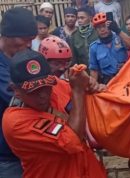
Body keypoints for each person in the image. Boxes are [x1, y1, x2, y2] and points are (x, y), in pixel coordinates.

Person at [2, 49, 107, 178]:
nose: (43, 95)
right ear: (15, 90)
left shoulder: (57, 86)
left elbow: (85, 92)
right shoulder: (15, 122)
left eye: (46, 86)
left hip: (90, 170)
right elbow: (72, 141)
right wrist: (78, 91)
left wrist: (92, 86)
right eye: (33, 90)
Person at [0, 7, 37, 178]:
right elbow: (31, 98)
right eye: (24, 40)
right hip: (8, 157)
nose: (29, 45)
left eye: (31, 39)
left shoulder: (25, 56)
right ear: (6, 36)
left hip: (33, 149)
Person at [89, 12, 130, 84]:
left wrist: (117, 30)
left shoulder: (120, 37)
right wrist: (94, 86)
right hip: (108, 82)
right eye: (99, 28)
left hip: (126, 78)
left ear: (109, 26)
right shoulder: (94, 47)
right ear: (96, 30)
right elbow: (94, 71)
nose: (102, 30)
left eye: (104, 26)